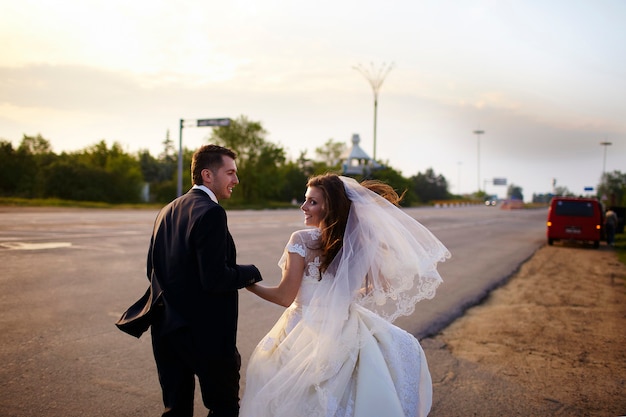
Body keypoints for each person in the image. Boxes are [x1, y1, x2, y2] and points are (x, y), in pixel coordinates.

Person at [240, 174, 450, 417]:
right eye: (306, 200)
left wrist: (249, 284)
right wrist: (343, 297)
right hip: (344, 324)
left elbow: (284, 297)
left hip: (301, 328)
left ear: (329, 206)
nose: (303, 207)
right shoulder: (358, 241)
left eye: (312, 202)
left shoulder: (301, 240)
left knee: (281, 385)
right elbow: (381, 283)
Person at [120, 144, 263, 417]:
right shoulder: (211, 212)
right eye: (230, 173)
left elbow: (152, 269)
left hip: (165, 330)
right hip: (206, 334)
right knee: (223, 407)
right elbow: (215, 278)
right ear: (207, 175)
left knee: (175, 409)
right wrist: (251, 272)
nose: (236, 180)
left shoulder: (166, 210)